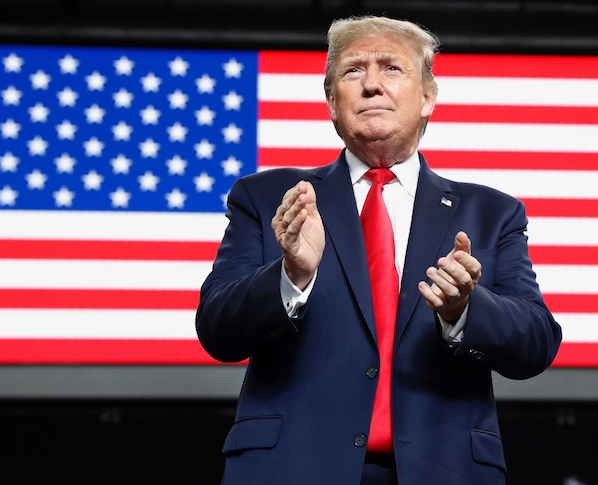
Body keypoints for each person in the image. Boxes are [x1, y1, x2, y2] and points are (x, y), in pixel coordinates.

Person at [195, 14, 562, 485]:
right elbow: (216, 330)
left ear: (428, 96)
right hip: (290, 470)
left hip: (444, 471)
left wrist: (465, 308)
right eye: (352, 71)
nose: (371, 84)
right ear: (331, 101)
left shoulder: (492, 213)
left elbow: (535, 344)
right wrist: (292, 276)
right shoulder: (268, 199)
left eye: (392, 68)